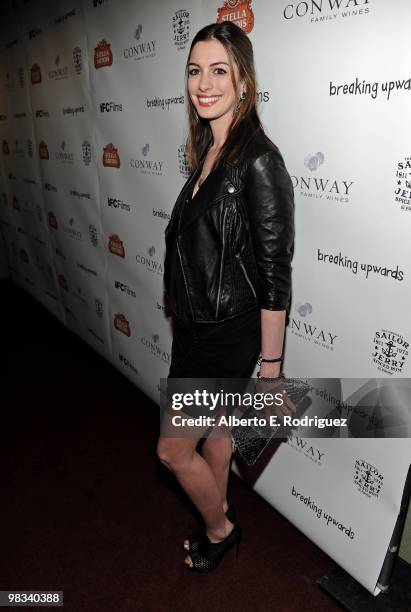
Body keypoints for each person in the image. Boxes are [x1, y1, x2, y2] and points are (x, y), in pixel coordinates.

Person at [157, 21, 295, 572]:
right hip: (196, 328)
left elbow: (274, 277)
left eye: (219, 71)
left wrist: (272, 372)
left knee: (171, 450)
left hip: (227, 336)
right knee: (216, 442)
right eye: (195, 71)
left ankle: (221, 527)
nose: (204, 84)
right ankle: (215, 525)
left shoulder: (258, 161)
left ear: (244, 81)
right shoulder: (211, 149)